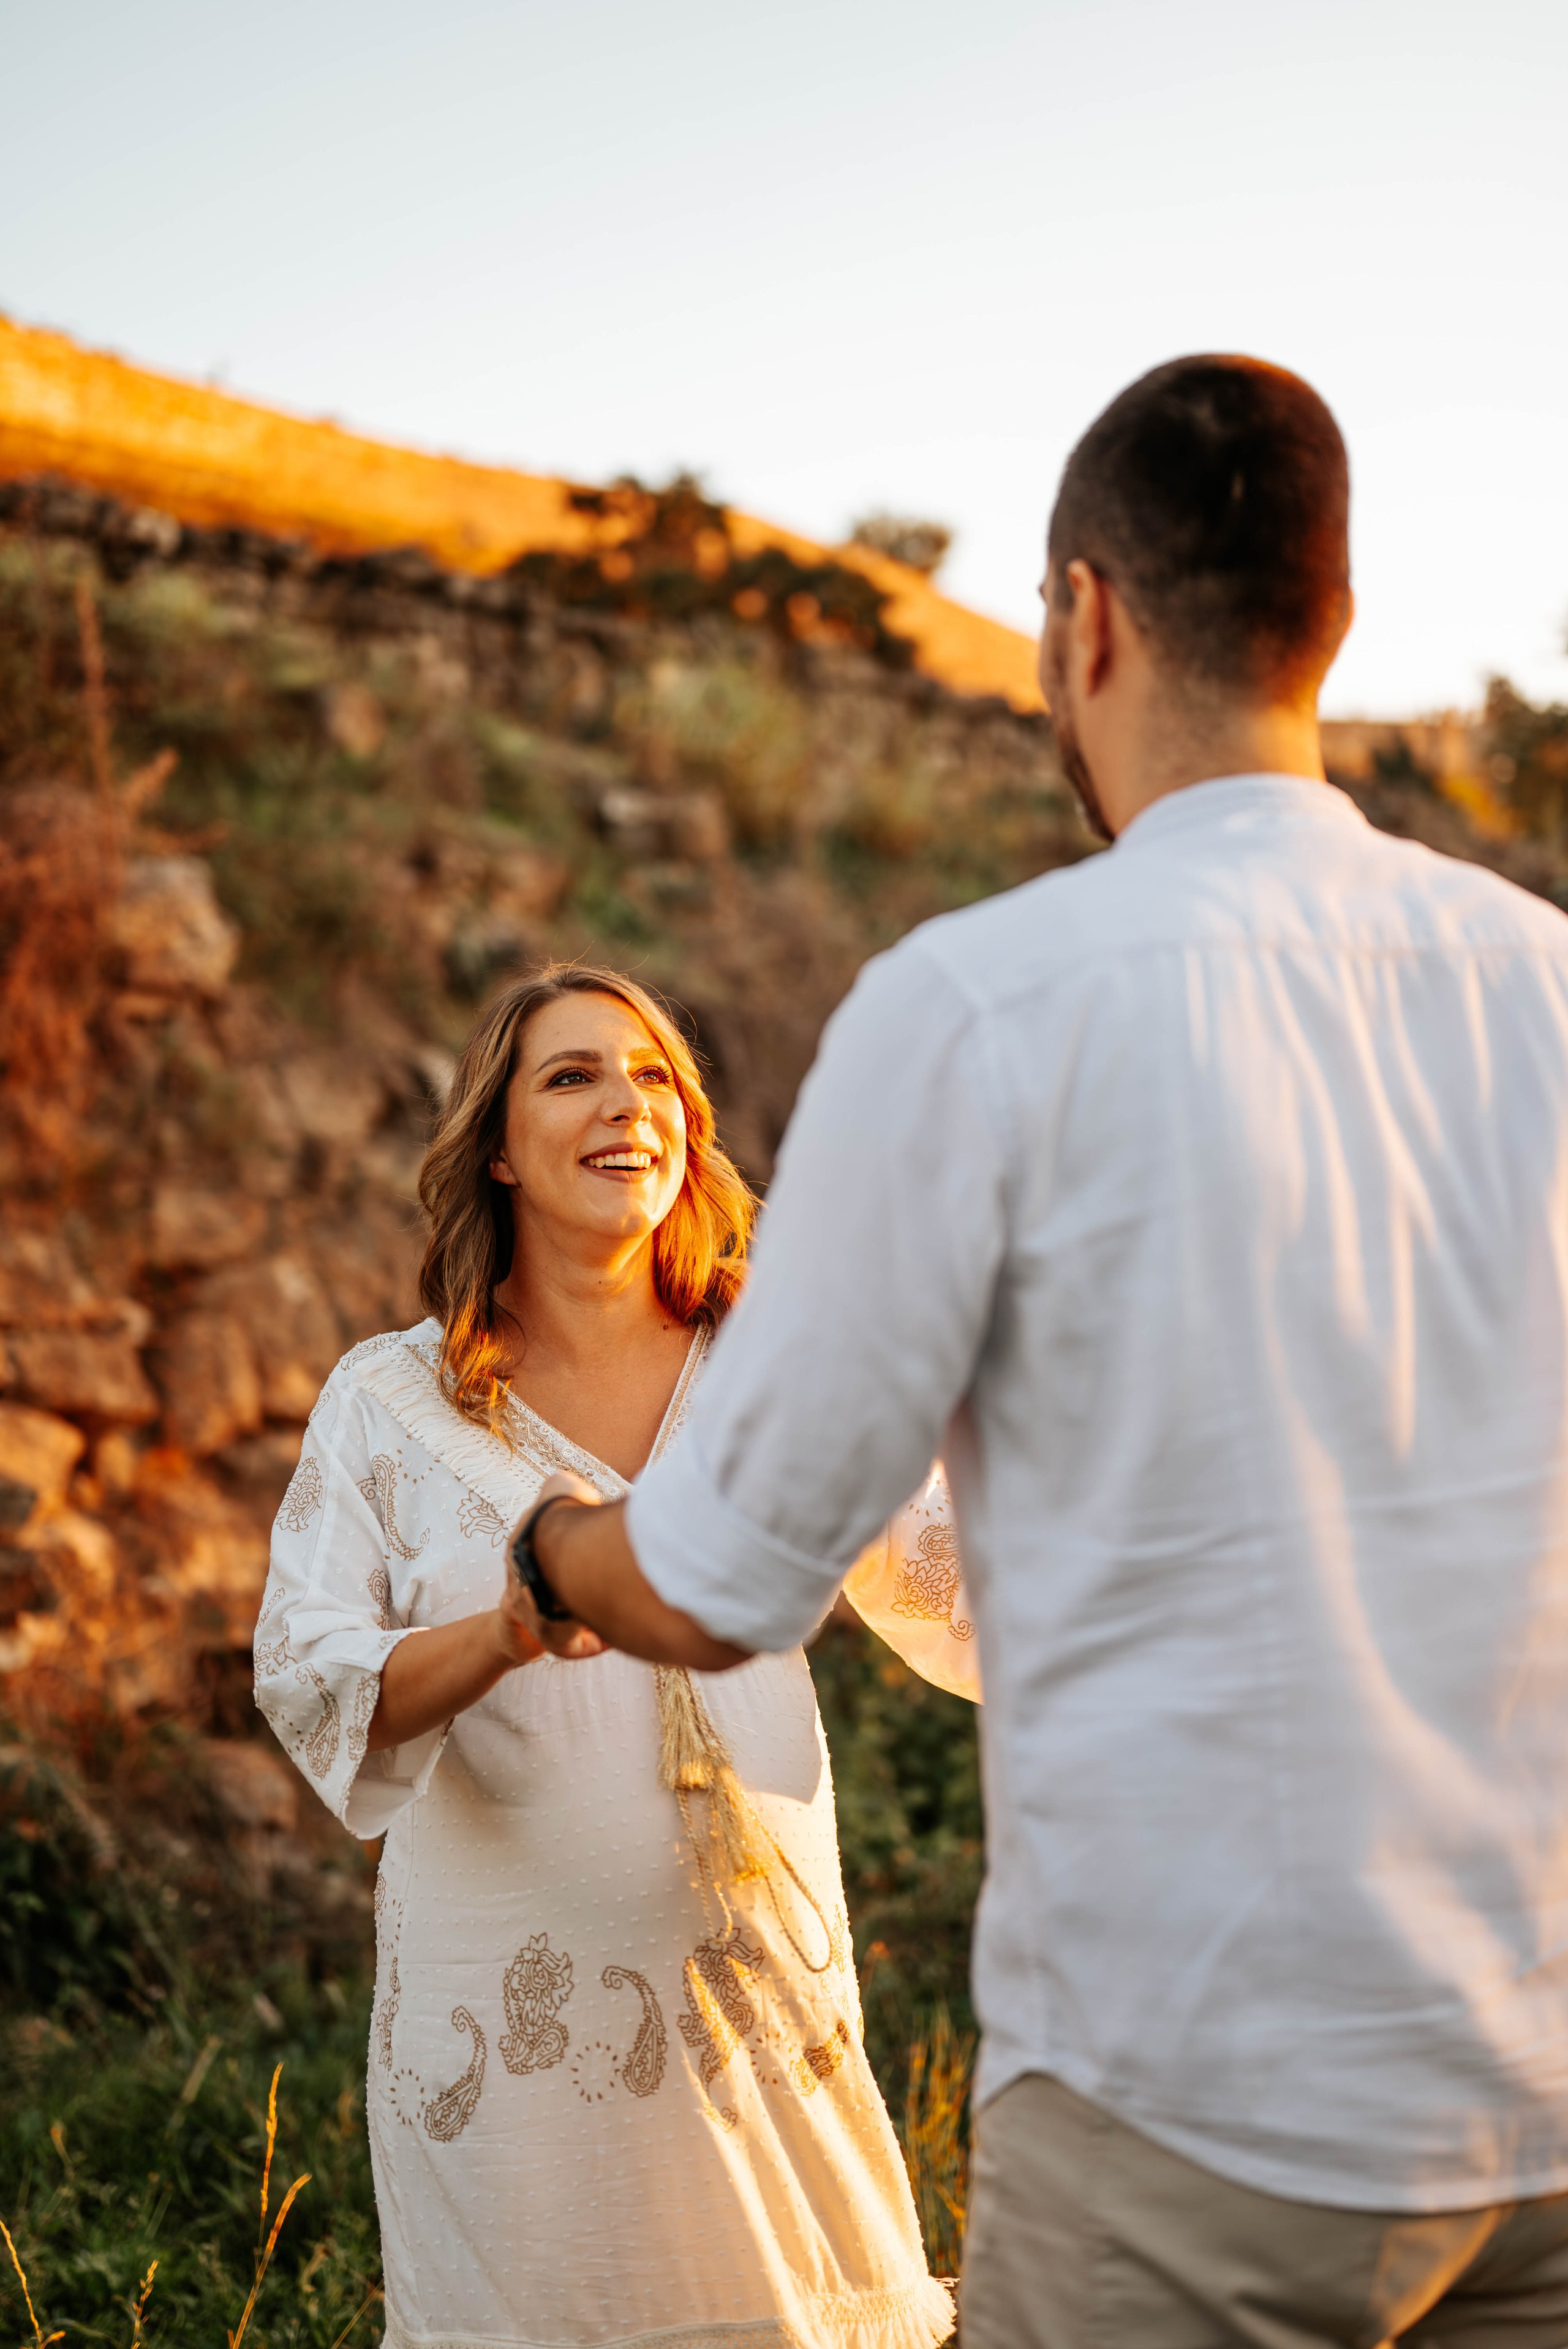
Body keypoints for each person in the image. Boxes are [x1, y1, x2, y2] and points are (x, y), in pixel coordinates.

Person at [511, 358, 1568, 2345]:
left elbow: (720, 1574)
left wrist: (543, 1556)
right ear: (1328, 618)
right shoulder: (1546, 989)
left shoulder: (985, 1007)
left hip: (1194, 2113)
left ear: (1082, 618)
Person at [252, 964, 962, 2349]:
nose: (622, 1103)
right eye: (571, 1074)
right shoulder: (391, 1404)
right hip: (511, 2066)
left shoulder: (776, 1363)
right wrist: (511, 1626)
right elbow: (316, 1676)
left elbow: (979, 1593)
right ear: (499, 1149)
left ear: (687, 1130)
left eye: (653, 1078)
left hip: (762, 2025)